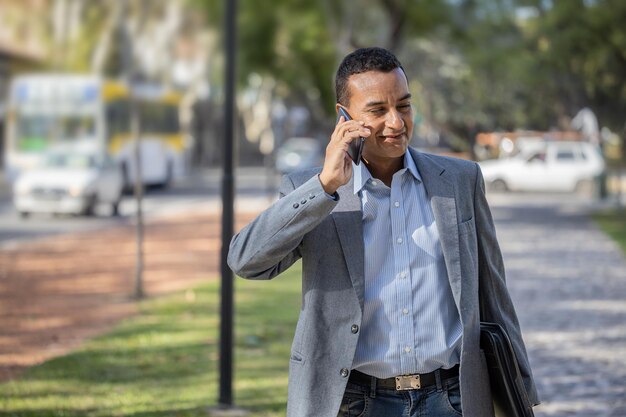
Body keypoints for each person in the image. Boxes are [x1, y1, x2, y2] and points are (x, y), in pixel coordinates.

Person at [228, 47, 539, 417]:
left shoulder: (459, 181)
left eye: (404, 106)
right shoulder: (310, 189)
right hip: (356, 402)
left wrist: (521, 391)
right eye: (377, 111)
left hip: (453, 398)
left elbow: (494, 292)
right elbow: (246, 261)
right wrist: (324, 186)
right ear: (344, 117)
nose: (396, 122)